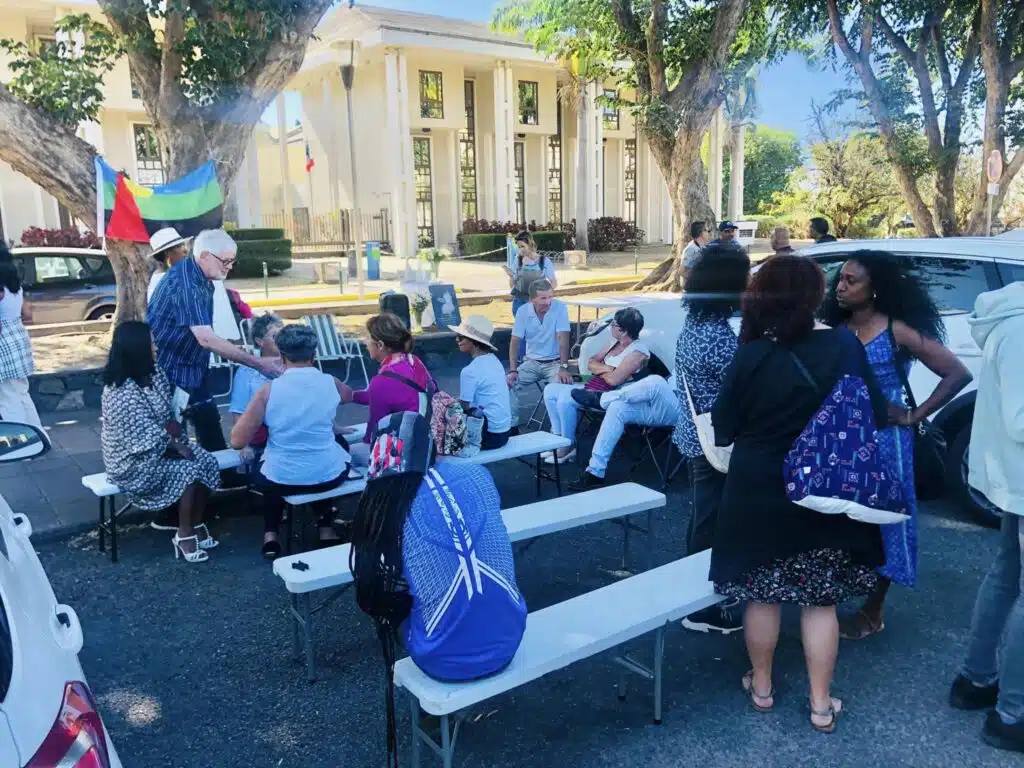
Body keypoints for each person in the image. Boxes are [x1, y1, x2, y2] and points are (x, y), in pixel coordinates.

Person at [710, 255, 888, 732]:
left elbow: (723, 427)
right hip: (824, 488)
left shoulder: (751, 354)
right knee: (821, 601)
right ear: (813, 297)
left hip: (759, 490)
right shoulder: (845, 346)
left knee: (762, 597)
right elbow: (872, 409)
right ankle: (820, 703)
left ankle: (763, 688)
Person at [349, 416, 526, 766]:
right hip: (510, 637)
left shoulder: (389, 509)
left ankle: (431, 716)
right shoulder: (476, 475)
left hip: (442, 660)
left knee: (397, 605)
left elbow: (381, 593)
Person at [822, 250, 971, 640]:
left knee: (887, 524)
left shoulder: (896, 331)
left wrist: (912, 415)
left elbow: (957, 373)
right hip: (842, 438)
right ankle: (833, 599)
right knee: (841, 519)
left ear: (876, 289)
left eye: (852, 281)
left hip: (887, 444)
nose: (841, 286)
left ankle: (874, 610)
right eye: (840, 279)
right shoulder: (834, 328)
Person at [949, 281, 1024, 754]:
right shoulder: (1019, 328)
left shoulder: (1013, 321)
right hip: (1018, 479)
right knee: (1008, 580)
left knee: (1005, 576)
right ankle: (1012, 714)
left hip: (1015, 480)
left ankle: (977, 682)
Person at [672, 241, 751, 634]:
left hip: (694, 435)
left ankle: (697, 593)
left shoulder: (696, 325)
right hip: (714, 444)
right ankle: (701, 606)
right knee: (709, 520)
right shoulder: (720, 339)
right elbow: (745, 389)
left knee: (702, 515)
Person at [148, 228, 282, 452]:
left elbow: (203, 334)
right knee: (173, 438)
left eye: (232, 260)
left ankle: (220, 478)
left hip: (191, 367)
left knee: (209, 427)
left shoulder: (202, 279)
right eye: (226, 261)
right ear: (204, 256)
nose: (230, 266)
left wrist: (233, 348)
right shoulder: (185, 283)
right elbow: (205, 338)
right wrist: (259, 363)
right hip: (171, 372)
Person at [100, 321, 221, 563]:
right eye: (152, 342)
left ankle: (196, 523)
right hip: (132, 460)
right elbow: (137, 434)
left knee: (206, 460)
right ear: (138, 348)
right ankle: (184, 533)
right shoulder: (118, 390)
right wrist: (175, 444)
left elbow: (167, 415)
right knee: (187, 469)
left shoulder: (155, 374)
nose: (157, 346)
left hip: (161, 446)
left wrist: (178, 419)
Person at [230, 324, 351, 558]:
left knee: (268, 461)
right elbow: (349, 396)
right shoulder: (331, 382)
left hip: (281, 478)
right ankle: (325, 527)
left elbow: (237, 440)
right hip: (328, 476)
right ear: (314, 354)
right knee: (335, 449)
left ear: (282, 355)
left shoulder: (268, 390)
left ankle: (271, 534)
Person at [542, 307, 648, 465]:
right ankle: (558, 440)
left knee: (566, 398)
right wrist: (610, 370)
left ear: (624, 331)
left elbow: (614, 381)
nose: (611, 326)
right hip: (596, 385)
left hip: (612, 394)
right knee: (550, 389)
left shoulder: (638, 352)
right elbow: (591, 362)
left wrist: (604, 371)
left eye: (614, 324)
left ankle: (568, 445)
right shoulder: (613, 342)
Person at [339, 313, 434, 466]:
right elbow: (393, 395)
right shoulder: (413, 360)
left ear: (381, 345)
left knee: (344, 453)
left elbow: (373, 436)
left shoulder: (382, 381)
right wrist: (352, 396)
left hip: (406, 452)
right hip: (427, 440)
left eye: (368, 338)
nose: (365, 343)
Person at [567, 372, 679, 491]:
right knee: (617, 407)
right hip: (665, 401)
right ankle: (595, 472)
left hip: (686, 412)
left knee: (656, 381)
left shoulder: (699, 357)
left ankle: (602, 399)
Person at [147, 226, 240, 341]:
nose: (185, 250)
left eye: (183, 244)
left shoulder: (191, 274)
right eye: (178, 246)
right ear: (167, 253)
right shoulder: (175, 280)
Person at [507, 279, 572, 430]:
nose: (548, 301)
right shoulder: (523, 311)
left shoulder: (560, 308)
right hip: (531, 362)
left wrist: (563, 367)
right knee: (507, 385)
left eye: (550, 297)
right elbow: (515, 342)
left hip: (555, 363)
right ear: (532, 299)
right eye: (543, 298)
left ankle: (557, 434)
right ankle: (511, 427)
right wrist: (513, 369)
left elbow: (564, 340)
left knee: (560, 389)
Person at [228, 313, 283, 477]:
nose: (281, 340)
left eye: (284, 335)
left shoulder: (294, 364)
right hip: (264, 437)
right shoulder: (248, 372)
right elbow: (239, 410)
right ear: (260, 341)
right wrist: (244, 444)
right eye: (275, 336)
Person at [453, 314, 513, 450]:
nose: (457, 340)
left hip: (488, 436)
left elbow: (464, 407)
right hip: (504, 432)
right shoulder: (494, 360)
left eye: (461, 337)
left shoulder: (469, 371)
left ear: (474, 341)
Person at [0, 253, 42, 429]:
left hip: (3, 345)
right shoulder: (15, 288)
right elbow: (27, 315)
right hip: (18, 340)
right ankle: (39, 438)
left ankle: (21, 446)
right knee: (22, 394)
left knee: (7, 400)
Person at [503, 230, 557, 318]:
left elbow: (553, 282)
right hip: (519, 303)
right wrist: (511, 276)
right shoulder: (518, 260)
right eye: (518, 247)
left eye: (523, 246)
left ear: (530, 244)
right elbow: (513, 282)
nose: (520, 249)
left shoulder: (544, 261)